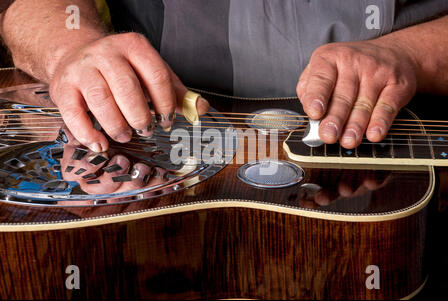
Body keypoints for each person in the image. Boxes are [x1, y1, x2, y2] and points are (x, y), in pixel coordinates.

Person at [1, 0, 447, 153]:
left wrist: (408, 54)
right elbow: (30, 7)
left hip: (402, 151)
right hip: (163, 151)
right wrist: (72, 50)